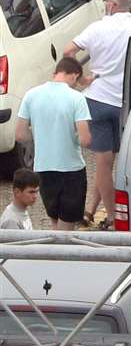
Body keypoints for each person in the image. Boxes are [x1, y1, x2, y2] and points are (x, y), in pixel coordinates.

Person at [71, 0, 131, 227]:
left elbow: (69, 51)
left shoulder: (96, 28)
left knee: (103, 163)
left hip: (97, 99)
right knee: (121, 161)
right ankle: (100, 210)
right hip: (127, 104)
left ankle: (111, 216)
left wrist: (80, 79)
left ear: (110, 5)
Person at [16, 57, 92, 231]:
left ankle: (54, 253)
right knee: (67, 227)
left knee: (55, 221)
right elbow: (85, 139)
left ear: (56, 72)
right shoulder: (77, 98)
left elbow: (20, 135)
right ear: (74, 76)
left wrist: (40, 135)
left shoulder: (31, 95)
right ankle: (59, 255)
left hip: (43, 167)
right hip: (71, 169)